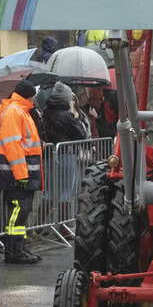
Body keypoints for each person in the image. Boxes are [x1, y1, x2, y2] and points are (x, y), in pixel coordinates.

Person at [0, 79, 43, 264]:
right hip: (16, 174)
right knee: (18, 212)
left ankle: (19, 248)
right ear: (29, 95)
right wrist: (21, 174)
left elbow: (23, 143)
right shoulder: (14, 112)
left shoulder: (21, 111)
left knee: (22, 211)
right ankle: (13, 251)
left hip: (21, 173)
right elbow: (13, 146)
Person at [43, 82, 89, 223]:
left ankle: (38, 226)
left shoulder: (46, 112)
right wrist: (77, 121)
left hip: (49, 155)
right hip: (66, 155)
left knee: (49, 193)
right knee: (65, 192)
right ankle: (63, 226)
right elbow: (81, 135)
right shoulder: (67, 116)